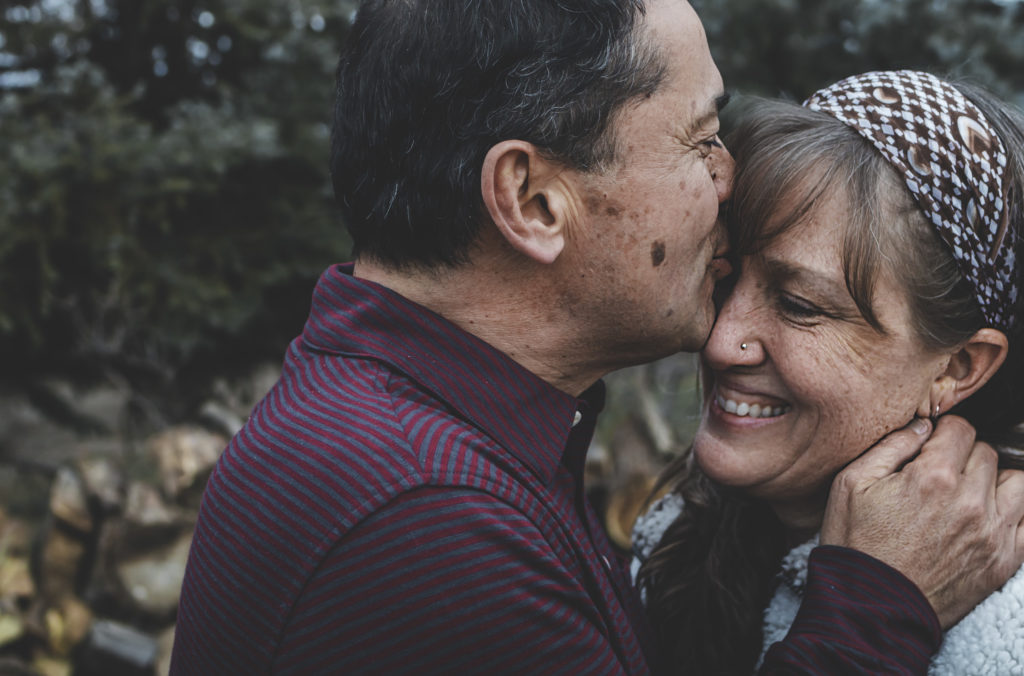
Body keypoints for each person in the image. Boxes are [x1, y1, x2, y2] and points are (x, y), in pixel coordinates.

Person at [171, 0, 1024, 670]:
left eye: (799, 304)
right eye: (700, 140)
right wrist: (876, 610)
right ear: (536, 201)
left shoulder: (420, 441)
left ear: (961, 366)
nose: (728, 179)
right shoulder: (432, 525)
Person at [634, 70, 1024, 675]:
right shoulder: (675, 535)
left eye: (799, 306)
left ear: (956, 367)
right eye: (726, 276)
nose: (719, 342)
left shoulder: (1001, 634)